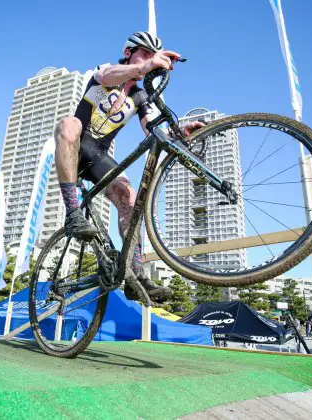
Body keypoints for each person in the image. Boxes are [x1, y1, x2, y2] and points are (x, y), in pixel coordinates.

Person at [53, 32, 204, 302]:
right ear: (128, 52)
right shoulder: (107, 71)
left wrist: (181, 132)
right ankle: (73, 214)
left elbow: (153, 131)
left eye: (152, 56)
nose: (149, 59)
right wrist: (143, 66)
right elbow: (110, 75)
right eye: (144, 53)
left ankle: (135, 275)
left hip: (98, 155)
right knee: (68, 124)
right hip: (75, 144)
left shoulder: (140, 96)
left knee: (130, 197)